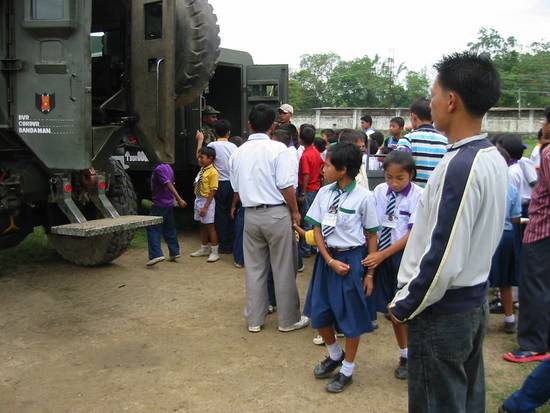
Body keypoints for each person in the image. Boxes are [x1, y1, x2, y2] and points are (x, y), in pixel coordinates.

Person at [388, 52, 507, 413]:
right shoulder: (491, 157)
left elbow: (442, 256)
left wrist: (404, 305)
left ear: (451, 100)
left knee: (437, 403)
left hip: (442, 312)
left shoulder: (461, 166)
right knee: (465, 399)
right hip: (471, 301)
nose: (432, 102)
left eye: (435, 94)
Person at [303, 142, 380, 393]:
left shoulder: (364, 198)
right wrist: (328, 260)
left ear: (343, 169)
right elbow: (316, 228)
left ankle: (347, 369)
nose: (323, 168)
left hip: (351, 261)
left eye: (327, 164)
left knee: (351, 319)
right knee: (319, 313)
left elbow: (371, 235)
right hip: (328, 261)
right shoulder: (325, 193)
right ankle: (335, 355)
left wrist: (369, 273)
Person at [229, 103, 308, 333]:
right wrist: (294, 211)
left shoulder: (238, 152)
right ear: (273, 126)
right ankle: (288, 320)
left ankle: (254, 319)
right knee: (283, 267)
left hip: (250, 214)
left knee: (254, 268)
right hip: (276, 214)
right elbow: (286, 185)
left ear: (249, 124)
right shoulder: (279, 150)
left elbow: (236, 186)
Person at [363, 150, 423, 381]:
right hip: (382, 256)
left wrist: (381, 254)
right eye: (389, 177)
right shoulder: (379, 191)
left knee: (407, 309)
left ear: (411, 175)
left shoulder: (419, 196)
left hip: (405, 259)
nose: (394, 183)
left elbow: (412, 234)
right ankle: (405, 354)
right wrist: (374, 261)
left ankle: (416, 354)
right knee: (392, 309)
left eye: (400, 178)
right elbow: (374, 226)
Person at [503, 107, 550, 364]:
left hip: (541, 229)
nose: (543, 125)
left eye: (546, 121)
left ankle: (533, 344)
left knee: (534, 287)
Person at [488, 146, 522, 334]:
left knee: (481, 279)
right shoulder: (511, 188)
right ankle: (509, 318)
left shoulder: (483, 185)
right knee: (505, 281)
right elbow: (516, 217)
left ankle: (479, 320)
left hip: (487, 235)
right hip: (507, 235)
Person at [396, 97, 448, 187]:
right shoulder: (446, 142)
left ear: (413, 117)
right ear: (432, 117)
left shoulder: (407, 140)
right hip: (436, 196)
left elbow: (397, 167)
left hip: (412, 197)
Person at [205, 119, 238, 254]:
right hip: (232, 183)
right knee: (232, 212)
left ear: (214, 132)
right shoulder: (234, 147)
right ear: (229, 133)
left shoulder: (212, 145)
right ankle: (232, 241)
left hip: (218, 184)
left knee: (220, 214)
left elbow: (204, 160)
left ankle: (224, 244)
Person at [146, 163, 187, 266]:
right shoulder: (168, 167)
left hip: (160, 204)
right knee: (169, 228)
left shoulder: (158, 169)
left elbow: (168, 184)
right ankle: (174, 252)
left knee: (153, 228)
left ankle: (156, 254)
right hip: (168, 204)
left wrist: (179, 199)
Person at [190, 147, 220, 263]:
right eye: (199, 157)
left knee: (210, 226)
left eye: (202, 157)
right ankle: (204, 248)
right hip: (198, 199)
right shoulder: (203, 169)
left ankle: (215, 252)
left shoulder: (213, 172)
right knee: (202, 224)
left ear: (210, 158)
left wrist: (206, 206)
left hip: (206, 200)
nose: (199, 159)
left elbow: (213, 190)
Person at [298, 125, 324, 258]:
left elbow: (306, 174)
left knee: (306, 220)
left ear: (301, 139)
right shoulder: (315, 152)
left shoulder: (305, 155)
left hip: (308, 190)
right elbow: (321, 167)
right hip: (316, 188)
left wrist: (302, 192)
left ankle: (305, 249)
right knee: (314, 220)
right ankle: (314, 247)